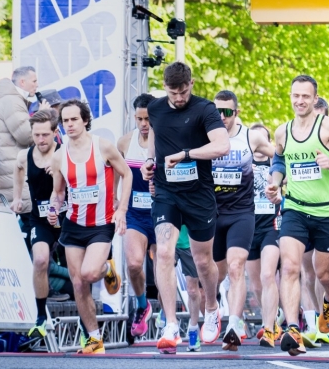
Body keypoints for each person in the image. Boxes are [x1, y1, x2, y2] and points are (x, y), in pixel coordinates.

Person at [264, 75, 329, 356]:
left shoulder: (328, 126)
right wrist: (275, 183)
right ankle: (293, 330)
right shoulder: (282, 130)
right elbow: (279, 158)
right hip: (295, 207)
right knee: (290, 268)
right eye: (295, 95)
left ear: (314, 97)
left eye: (305, 96)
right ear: (290, 96)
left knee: (325, 275)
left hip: (327, 212)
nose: (300, 101)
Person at [140, 62, 231, 354]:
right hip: (167, 193)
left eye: (182, 91)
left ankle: (212, 305)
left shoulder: (205, 109)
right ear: (164, 87)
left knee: (204, 262)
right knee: (164, 252)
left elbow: (222, 146)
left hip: (199, 194)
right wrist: (149, 161)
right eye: (172, 92)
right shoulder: (155, 108)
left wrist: (186, 154)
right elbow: (155, 135)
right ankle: (170, 324)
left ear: (191, 83)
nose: (178, 98)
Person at [47, 99, 132, 354]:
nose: (69, 124)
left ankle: (106, 268)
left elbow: (126, 174)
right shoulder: (59, 156)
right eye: (65, 121)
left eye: (74, 119)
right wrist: (53, 210)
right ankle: (94, 339)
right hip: (74, 224)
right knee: (78, 283)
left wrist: (122, 210)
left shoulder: (103, 147)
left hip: (101, 223)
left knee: (89, 273)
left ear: (85, 120)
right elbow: (58, 193)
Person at [210, 90, 278, 350]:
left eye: (227, 112)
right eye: (216, 111)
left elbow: (280, 159)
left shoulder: (251, 137)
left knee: (237, 268)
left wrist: (277, 185)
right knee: (215, 275)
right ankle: (212, 305)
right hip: (213, 215)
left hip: (242, 214)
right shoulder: (204, 136)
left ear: (236, 113)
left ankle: (233, 326)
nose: (221, 117)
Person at [11, 109, 60, 339]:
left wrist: (62, 172)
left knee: (81, 272)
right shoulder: (25, 155)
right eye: (36, 135)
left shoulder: (65, 154)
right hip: (40, 218)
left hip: (68, 217)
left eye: (45, 135)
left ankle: (84, 321)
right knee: (40, 260)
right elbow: (18, 169)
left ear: (55, 133)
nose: (40, 140)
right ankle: (40, 318)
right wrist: (18, 197)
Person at [116, 93, 156, 339]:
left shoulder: (164, 141)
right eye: (139, 118)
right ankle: (142, 306)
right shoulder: (124, 143)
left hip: (162, 212)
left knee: (163, 266)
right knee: (133, 264)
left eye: (148, 119)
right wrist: (116, 204)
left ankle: (167, 317)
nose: (143, 123)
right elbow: (116, 173)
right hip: (135, 214)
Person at [0, 66, 45, 213]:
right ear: (22, 82)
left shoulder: (4, 101)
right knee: (30, 226)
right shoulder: (13, 102)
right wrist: (42, 116)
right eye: (34, 81)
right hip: (16, 178)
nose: (37, 85)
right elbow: (26, 136)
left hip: (4, 178)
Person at [247, 123, 283, 348]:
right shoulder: (243, 163)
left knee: (268, 275)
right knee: (256, 284)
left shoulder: (276, 165)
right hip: (249, 227)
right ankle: (273, 316)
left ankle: (268, 328)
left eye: (263, 139)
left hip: (272, 226)